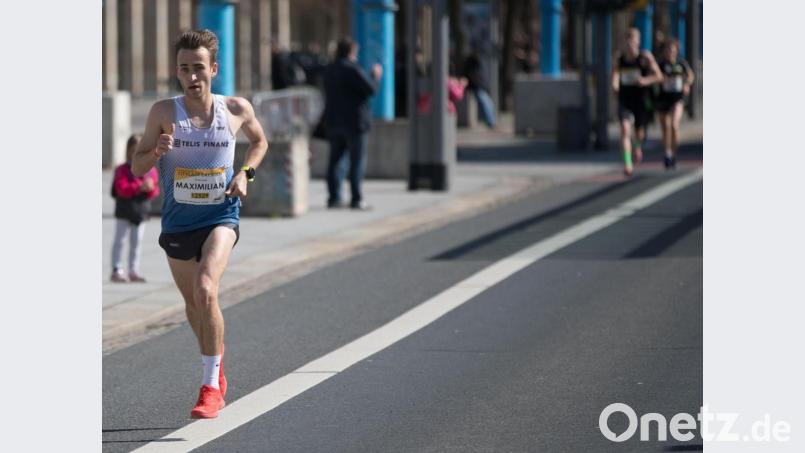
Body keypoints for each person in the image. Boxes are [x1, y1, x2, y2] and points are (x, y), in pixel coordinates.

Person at [132, 29, 268, 419]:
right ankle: (217, 361)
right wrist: (155, 152)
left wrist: (245, 174)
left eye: (199, 68)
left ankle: (210, 386)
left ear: (214, 68)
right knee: (194, 303)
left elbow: (260, 143)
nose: (192, 77)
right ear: (177, 72)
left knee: (207, 288)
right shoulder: (163, 112)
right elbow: (137, 164)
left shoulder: (236, 109)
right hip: (177, 222)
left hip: (220, 215)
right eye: (184, 69)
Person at [322, 37, 382, 210]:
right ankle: (357, 199)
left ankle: (334, 197)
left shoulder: (330, 70)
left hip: (333, 121)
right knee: (356, 161)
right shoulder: (353, 69)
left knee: (335, 160)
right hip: (355, 122)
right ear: (352, 52)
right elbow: (371, 89)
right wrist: (376, 76)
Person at [611, 28, 663, 176]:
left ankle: (637, 145)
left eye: (633, 41)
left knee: (639, 132)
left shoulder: (645, 57)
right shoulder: (620, 58)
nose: (630, 45)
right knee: (625, 129)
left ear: (638, 43)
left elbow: (659, 76)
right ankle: (628, 164)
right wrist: (614, 84)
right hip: (625, 98)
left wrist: (645, 81)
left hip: (640, 99)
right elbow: (615, 74)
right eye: (628, 41)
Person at [110, 133, 159, 283]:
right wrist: (139, 187)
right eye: (133, 150)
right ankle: (117, 269)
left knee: (136, 242)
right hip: (124, 211)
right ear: (128, 151)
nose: (136, 153)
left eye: (140, 149)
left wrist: (150, 188)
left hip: (140, 212)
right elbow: (121, 188)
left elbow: (155, 192)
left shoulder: (151, 170)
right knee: (120, 241)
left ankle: (133, 270)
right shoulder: (122, 169)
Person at [655, 38, 695, 169]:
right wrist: (659, 79)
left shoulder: (681, 63)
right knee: (665, 128)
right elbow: (653, 75)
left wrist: (687, 84)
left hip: (677, 97)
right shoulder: (660, 64)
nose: (670, 53)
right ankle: (667, 153)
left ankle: (674, 154)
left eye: (672, 50)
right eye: (667, 50)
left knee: (674, 124)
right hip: (664, 97)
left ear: (676, 51)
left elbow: (690, 75)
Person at [463, 50, 496, 129]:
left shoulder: (476, 62)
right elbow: (474, 76)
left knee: (487, 103)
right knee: (485, 103)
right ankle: (491, 122)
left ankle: (491, 121)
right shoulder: (474, 63)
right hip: (477, 86)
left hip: (479, 86)